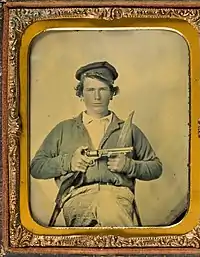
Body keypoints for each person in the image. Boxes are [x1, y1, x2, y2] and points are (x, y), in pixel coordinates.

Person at [30, 61, 163, 227]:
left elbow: (156, 167)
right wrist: (68, 162)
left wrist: (129, 166)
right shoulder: (63, 129)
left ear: (112, 93)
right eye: (90, 90)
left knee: (108, 207)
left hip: (118, 197)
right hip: (77, 197)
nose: (97, 97)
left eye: (103, 89)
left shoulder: (129, 131)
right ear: (81, 94)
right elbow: (36, 167)